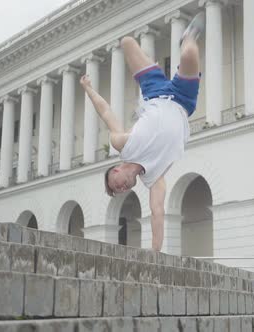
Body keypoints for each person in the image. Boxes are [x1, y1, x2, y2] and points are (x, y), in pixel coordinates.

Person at [79, 13, 205, 252]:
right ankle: (187, 36)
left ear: (116, 170)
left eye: (116, 185)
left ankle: (153, 63)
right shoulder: (153, 178)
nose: (122, 188)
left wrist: (88, 89)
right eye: (120, 190)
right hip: (182, 99)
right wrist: (155, 252)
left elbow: (106, 112)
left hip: (154, 91)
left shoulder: (123, 145)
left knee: (127, 42)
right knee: (189, 53)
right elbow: (157, 213)